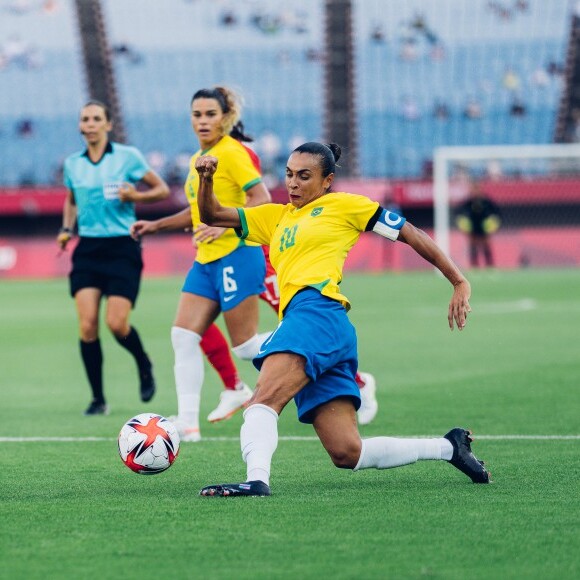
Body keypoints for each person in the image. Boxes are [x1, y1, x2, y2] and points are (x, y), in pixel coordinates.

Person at [193, 141, 491, 497]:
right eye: (289, 174)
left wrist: (458, 280)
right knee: (348, 452)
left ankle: (257, 480)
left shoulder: (346, 206)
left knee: (263, 399)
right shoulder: (275, 216)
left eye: (304, 176)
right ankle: (448, 448)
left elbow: (410, 233)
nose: (293, 183)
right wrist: (206, 179)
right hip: (322, 327)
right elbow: (212, 215)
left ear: (327, 180)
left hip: (316, 313)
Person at [131, 86, 273, 442]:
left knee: (245, 347)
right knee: (182, 335)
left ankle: (314, 348)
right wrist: (156, 225)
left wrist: (224, 221)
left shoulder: (232, 153)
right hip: (206, 261)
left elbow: (262, 198)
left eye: (210, 114)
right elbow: (197, 212)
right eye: (197, 114)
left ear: (225, 118)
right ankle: (187, 424)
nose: (203, 120)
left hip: (237, 255)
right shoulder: (201, 157)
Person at [57, 100, 170, 415]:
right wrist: (66, 229)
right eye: (85, 119)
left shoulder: (127, 157)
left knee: (117, 324)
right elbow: (71, 199)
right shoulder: (72, 164)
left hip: (122, 247)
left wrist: (137, 196)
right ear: (80, 126)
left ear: (107, 125)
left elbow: (160, 189)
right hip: (88, 249)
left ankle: (142, 361)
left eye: (96, 119)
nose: (90, 124)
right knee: (87, 325)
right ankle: (98, 399)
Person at [455, 181, 502, 268]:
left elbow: (497, 213)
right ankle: (474, 266)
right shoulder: (468, 202)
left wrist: (494, 225)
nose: (474, 191)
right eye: (472, 189)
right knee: (473, 247)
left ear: (480, 189)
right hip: (472, 228)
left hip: (485, 228)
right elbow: (459, 214)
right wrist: (462, 225)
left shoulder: (487, 201)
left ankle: (490, 266)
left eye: (476, 189)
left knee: (486, 246)